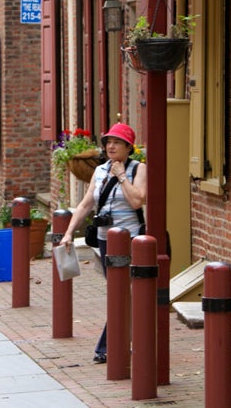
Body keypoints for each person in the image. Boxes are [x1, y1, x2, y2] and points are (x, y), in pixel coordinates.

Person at [56, 122, 147, 364]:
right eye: (108, 142)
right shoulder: (100, 171)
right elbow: (86, 204)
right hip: (105, 241)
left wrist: (122, 177)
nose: (111, 146)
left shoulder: (139, 169)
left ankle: (107, 346)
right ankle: (123, 341)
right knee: (119, 295)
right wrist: (68, 232)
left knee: (123, 294)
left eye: (117, 142)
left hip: (130, 239)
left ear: (129, 147)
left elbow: (137, 201)